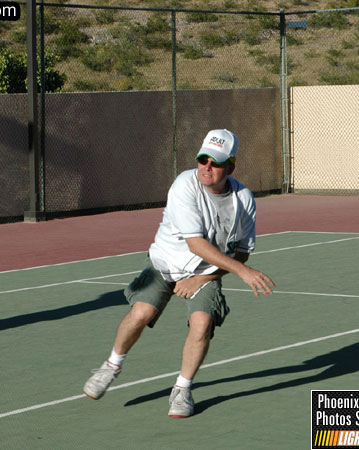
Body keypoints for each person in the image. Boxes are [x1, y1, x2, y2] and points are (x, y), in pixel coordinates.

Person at [83, 129, 274, 418]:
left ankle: (182, 389)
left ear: (231, 167)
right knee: (141, 313)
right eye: (202, 159)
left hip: (206, 272)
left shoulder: (244, 199)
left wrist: (204, 279)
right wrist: (242, 271)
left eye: (216, 162)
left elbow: (242, 249)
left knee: (202, 322)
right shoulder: (184, 185)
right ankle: (111, 366)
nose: (206, 167)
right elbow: (195, 244)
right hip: (164, 262)